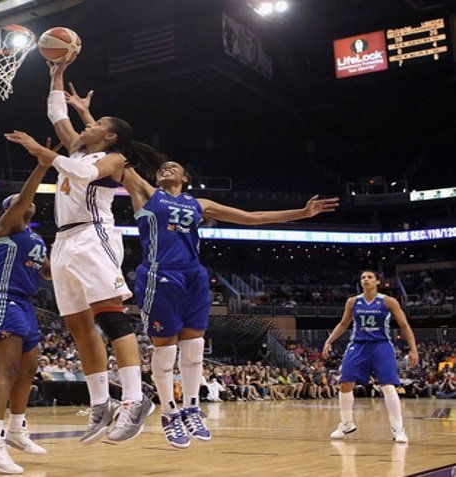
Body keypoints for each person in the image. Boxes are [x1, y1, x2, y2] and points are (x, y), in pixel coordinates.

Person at [119, 156, 338, 448]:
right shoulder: (146, 192)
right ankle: (170, 413)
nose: (166, 167)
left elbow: (251, 217)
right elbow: (116, 151)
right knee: (166, 348)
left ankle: (192, 408)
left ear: (185, 178)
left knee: (194, 346)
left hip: (194, 274)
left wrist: (303, 213)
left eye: (174, 166)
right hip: (160, 272)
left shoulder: (200, 204)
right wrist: (86, 128)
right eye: (162, 167)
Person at [3, 60, 159, 445]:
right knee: (77, 325)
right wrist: (56, 75)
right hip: (64, 241)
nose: (88, 124)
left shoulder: (114, 160)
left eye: (96, 123)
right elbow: (57, 115)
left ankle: (135, 399)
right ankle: (101, 402)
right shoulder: (77, 150)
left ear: (110, 137)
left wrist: (41, 151)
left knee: (110, 316)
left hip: (94, 235)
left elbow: (85, 174)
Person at [0, 158, 52, 473]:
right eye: (18, 201)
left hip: (24, 303)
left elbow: (47, 272)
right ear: (10, 209)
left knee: (28, 369)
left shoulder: (36, 238)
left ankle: (17, 429)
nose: (25, 202)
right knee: (5, 369)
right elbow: (23, 199)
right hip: (1, 299)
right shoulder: (4, 228)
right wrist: (41, 167)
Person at [323, 270, 419, 443]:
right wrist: (329, 341)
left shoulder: (388, 301)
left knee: (388, 386)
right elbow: (343, 324)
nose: (366, 280)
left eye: (370, 277)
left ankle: (398, 429)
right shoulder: (353, 301)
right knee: (345, 383)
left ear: (377, 282)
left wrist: (413, 349)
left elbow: (404, 325)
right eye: (363, 278)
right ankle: (346, 423)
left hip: (381, 345)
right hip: (358, 345)